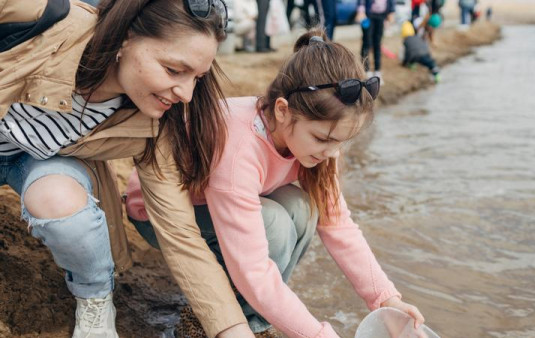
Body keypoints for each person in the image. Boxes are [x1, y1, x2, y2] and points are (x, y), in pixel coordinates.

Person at [126, 29, 425, 337]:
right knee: (275, 224)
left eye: (341, 142)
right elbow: (254, 270)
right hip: (160, 212)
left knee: (304, 208)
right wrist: (319, 334)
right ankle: (226, 319)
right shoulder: (239, 148)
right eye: (323, 139)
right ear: (282, 110)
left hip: (220, 206)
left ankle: (257, 318)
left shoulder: (317, 145)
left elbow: (339, 226)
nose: (332, 153)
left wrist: (385, 299)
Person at [0, 0, 255, 337]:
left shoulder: (155, 124)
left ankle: (95, 301)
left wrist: (231, 330)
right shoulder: (46, 18)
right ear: (126, 38)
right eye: (173, 70)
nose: (187, 93)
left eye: (198, 77)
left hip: (40, 163)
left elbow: (179, 233)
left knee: (60, 203)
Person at [356, 0, 395, 85]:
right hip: (368, 15)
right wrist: (360, 11)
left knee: (378, 44)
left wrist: (391, 11)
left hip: (381, 16)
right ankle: (366, 71)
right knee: (366, 43)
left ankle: (377, 71)